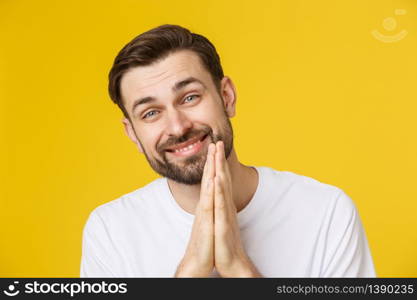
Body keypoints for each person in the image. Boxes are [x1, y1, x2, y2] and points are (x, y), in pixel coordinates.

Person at [80, 24, 376, 277]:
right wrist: (191, 271)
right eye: (150, 113)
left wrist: (239, 267)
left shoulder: (327, 212)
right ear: (132, 133)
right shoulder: (110, 231)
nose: (177, 126)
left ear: (227, 96)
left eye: (190, 97)